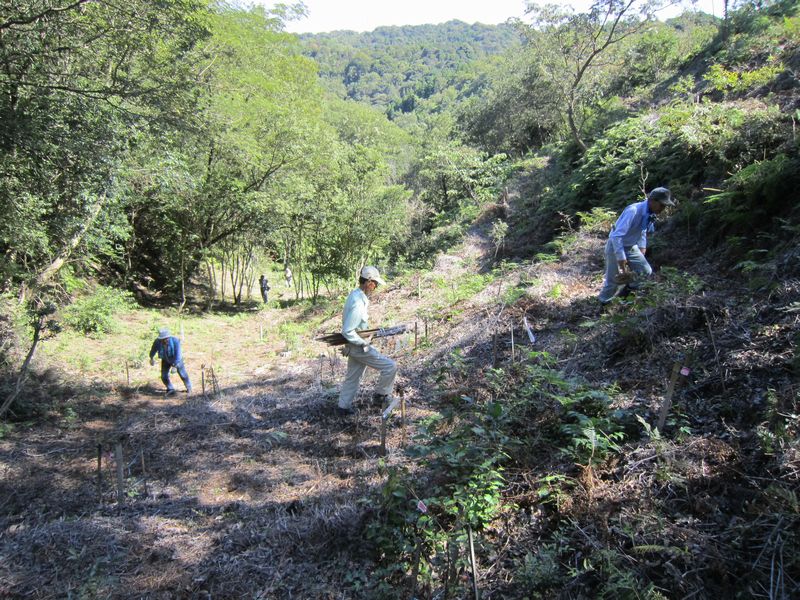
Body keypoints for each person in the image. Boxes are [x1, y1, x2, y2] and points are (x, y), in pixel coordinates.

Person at [337, 266, 397, 416]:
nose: (375, 287)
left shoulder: (356, 295)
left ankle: (342, 408)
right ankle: (380, 396)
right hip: (359, 347)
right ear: (369, 282)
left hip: (353, 345)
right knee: (390, 367)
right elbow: (348, 330)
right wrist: (363, 343)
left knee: (353, 377)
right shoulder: (358, 302)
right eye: (375, 283)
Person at [598, 187, 675, 303]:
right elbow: (616, 236)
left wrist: (642, 247)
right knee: (612, 280)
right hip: (615, 245)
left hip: (631, 246)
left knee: (645, 271)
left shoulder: (649, 213)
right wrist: (621, 258)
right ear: (652, 201)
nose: (663, 209)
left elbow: (642, 229)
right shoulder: (633, 210)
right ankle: (603, 305)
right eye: (662, 205)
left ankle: (624, 298)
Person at [149, 327, 192, 396]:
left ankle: (189, 388)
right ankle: (170, 388)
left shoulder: (175, 341)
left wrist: (175, 366)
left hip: (177, 360)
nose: (165, 340)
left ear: (169, 337)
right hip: (165, 359)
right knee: (164, 376)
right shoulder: (157, 342)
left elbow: (178, 354)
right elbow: (153, 349)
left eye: (167, 338)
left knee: (183, 374)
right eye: (163, 339)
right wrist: (151, 358)